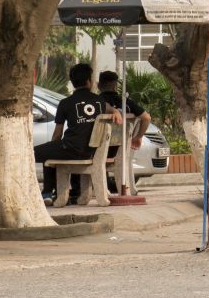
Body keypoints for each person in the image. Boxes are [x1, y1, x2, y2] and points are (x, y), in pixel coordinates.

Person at [34, 63, 120, 206]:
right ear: (88, 81)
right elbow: (110, 109)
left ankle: (47, 192)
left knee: (35, 152)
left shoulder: (65, 103)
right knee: (49, 151)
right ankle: (48, 193)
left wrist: (54, 145)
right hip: (91, 151)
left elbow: (57, 134)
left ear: (73, 83)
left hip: (71, 148)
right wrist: (116, 112)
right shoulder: (99, 101)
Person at [95, 70, 148, 197]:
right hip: (121, 150)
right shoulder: (126, 103)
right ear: (115, 85)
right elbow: (147, 118)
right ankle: (130, 189)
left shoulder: (96, 102)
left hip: (98, 149)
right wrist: (139, 136)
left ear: (98, 85)